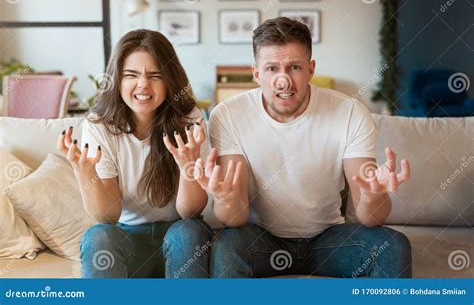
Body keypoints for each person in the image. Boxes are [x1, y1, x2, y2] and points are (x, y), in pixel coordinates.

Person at [195, 17, 412, 278]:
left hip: (327, 241)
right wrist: (226, 198)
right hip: (262, 241)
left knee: (394, 246)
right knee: (227, 246)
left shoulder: (350, 112)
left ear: (311, 69)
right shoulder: (228, 114)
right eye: (272, 68)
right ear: (256, 74)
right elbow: (235, 218)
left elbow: (370, 218)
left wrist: (375, 196)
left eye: (294, 67)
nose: (283, 80)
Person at [57, 29, 213, 278]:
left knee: (189, 231)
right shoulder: (99, 127)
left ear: (169, 80)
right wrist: (85, 174)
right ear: (117, 80)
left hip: (178, 235)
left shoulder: (189, 120)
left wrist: (188, 169)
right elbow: (108, 216)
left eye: (154, 76)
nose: (143, 85)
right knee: (98, 236)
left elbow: (190, 213)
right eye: (131, 75)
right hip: (128, 239)